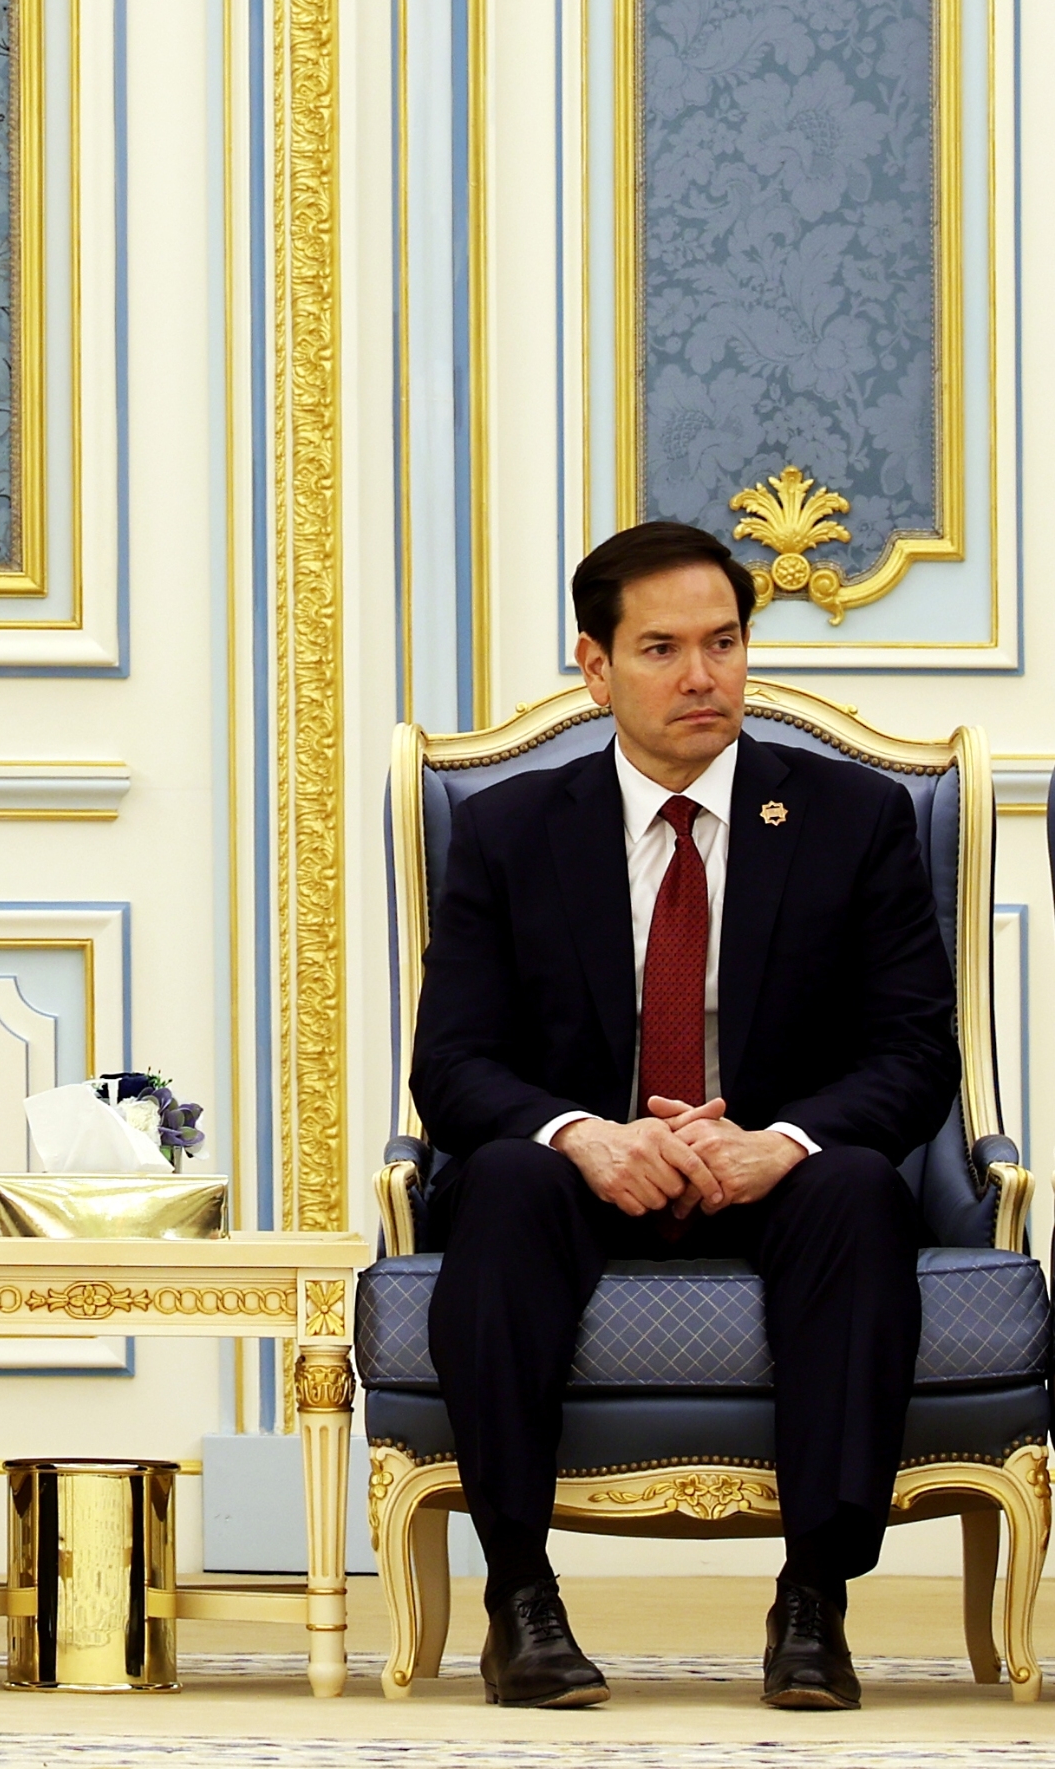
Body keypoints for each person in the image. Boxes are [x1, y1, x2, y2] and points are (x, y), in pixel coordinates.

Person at [410, 520, 957, 1712]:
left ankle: (814, 1599)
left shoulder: (853, 820)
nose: (701, 675)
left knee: (857, 1185)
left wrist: (781, 1144)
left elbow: (916, 1054)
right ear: (596, 667)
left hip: (773, 1173)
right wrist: (584, 1135)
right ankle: (522, 1602)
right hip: (586, 1172)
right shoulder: (510, 832)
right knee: (503, 1180)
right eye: (661, 649)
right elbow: (450, 1067)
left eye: (723, 643)